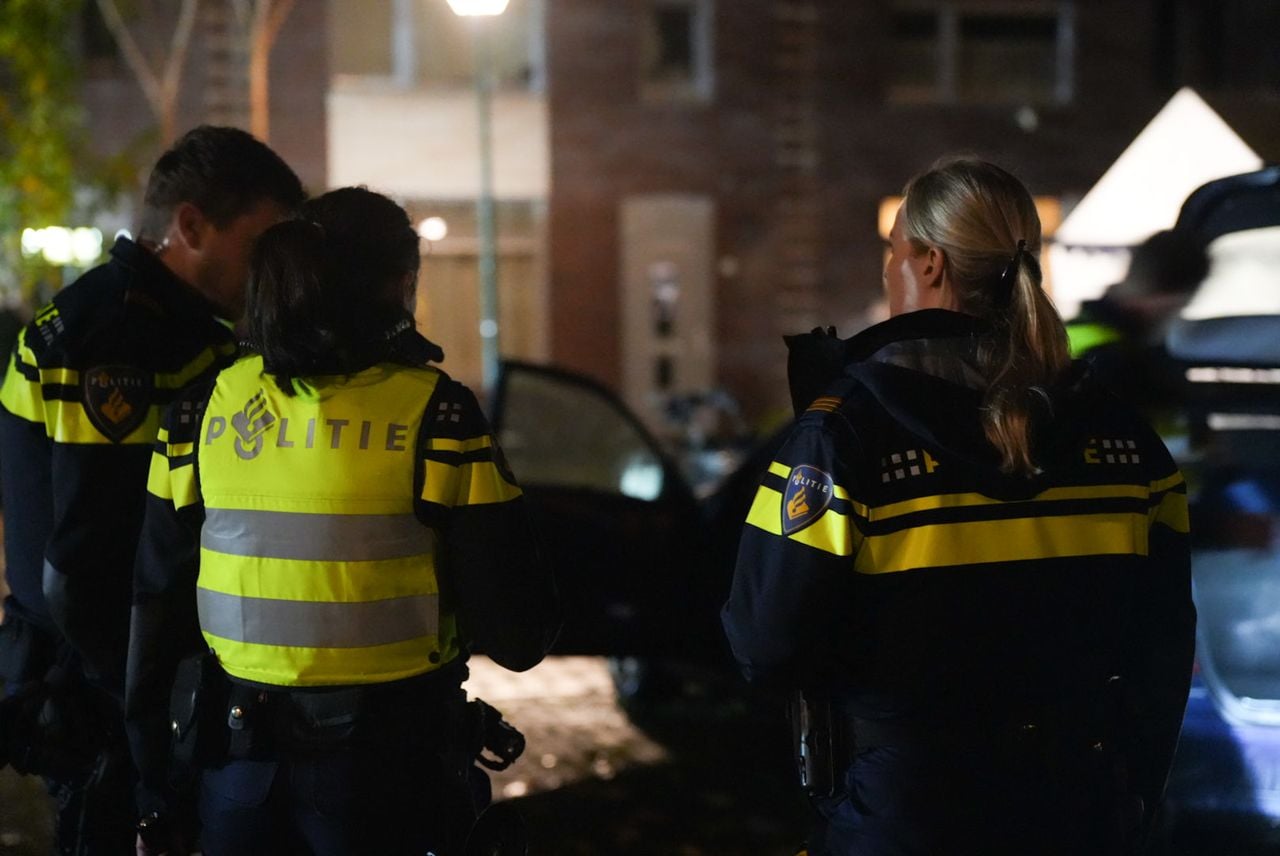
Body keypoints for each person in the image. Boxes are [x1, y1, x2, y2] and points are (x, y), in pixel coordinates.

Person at [722, 157, 1196, 856]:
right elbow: (1164, 642)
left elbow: (764, 644)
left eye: (893, 254)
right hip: (1080, 808)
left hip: (906, 813)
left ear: (931, 264)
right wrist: (1130, 794)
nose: (889, 273)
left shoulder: (842, 436)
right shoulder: (1126, 439)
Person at [125, 186, 560, 855]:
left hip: (234, 775)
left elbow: (156, 611)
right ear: (404, 283)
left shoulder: (200, 410)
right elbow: (516, 632)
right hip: (388, 780)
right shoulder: (436, 415)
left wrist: (157, 783)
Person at [0, 126, 304, 855]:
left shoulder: (187, 332)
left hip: (145, 689)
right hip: (102, 700)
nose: (272, 273)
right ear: (191, 227)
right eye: (262, 246)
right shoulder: (109, 339)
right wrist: (149, 718)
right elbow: (83, 569)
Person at [1065, 228, 1208, 423]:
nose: (1177, 316)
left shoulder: (1067, 333)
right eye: (1181, 305)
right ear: (1164, 298)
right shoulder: (1118, 361)